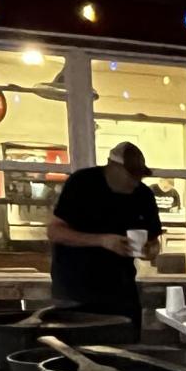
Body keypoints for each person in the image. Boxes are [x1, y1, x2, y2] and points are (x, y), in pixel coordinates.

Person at [46, 142, 160, 332]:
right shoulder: (82, 183)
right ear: (112, 166)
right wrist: (103, 240)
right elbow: (55, 231)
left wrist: (151, 250)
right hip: (74, 289)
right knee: (79, 350)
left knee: (126, 347)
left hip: (121, 290)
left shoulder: (143, 195)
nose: (135, 181)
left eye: (139, 175)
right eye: (131, 175)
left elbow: (154, 240)